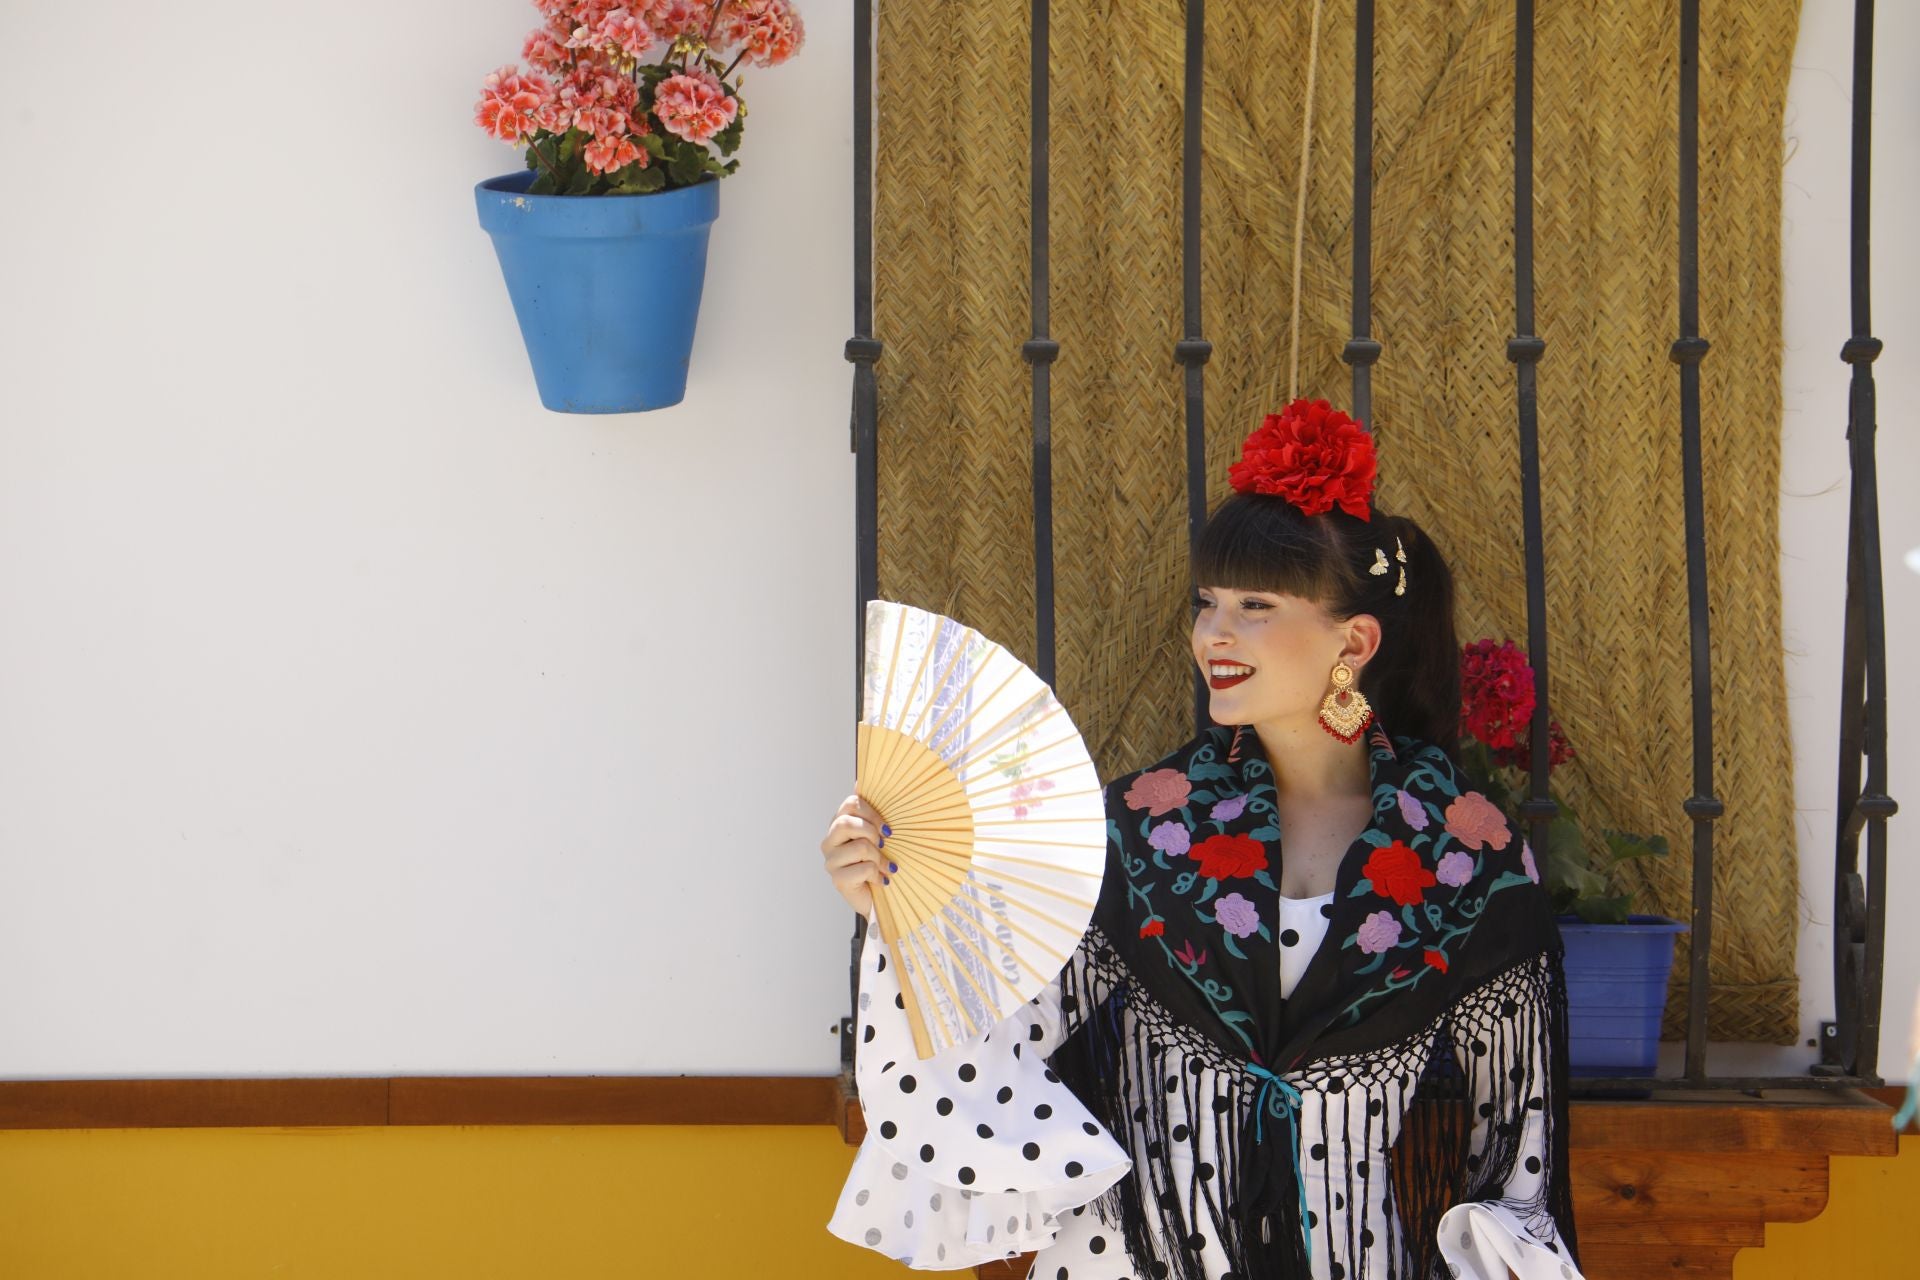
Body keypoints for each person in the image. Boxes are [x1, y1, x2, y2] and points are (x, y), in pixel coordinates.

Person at [823, 399, 1584, 1279]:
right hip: (1129, 1259)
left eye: (1256, 604)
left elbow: (1519, 1159)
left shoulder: (1466, 854)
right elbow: (988, 1038)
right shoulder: (1136, 830)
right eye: (1208, 603)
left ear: (1356, 640)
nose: (1214, 634)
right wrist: (901, 904)